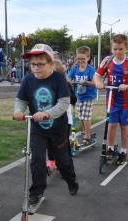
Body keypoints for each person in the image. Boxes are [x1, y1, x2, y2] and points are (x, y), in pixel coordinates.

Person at [13, 43, 79, 206]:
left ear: (50, 63)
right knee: (36, 159)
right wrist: (18, 111)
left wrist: (47, 113)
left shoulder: (58, 79)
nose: (35, 68)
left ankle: (71, 181)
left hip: (58, 129)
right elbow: (21, 100)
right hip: (37, 129)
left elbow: (64, 103)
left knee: (63, 161)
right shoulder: (28, 80)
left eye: (40, 64)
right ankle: (37, 191)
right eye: (33, 64)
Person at [93, 34, 128, 164]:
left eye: (120, 49)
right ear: (111, 48)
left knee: (124, 126)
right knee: (112, 124)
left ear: (126, 47)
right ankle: (110, 148)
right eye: (115, 49)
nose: (117, 52)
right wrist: (98, 82)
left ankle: (123, 150)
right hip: (112, 99)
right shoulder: (107, 61)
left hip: (126, 101)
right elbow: (97, 76)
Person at [45, 59, 76, 172]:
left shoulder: (65, 84)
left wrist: (65, 95)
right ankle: (51, 162)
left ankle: (68, 166)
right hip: (50, 119)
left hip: (64, 120)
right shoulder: (46, 84)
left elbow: (73, 99)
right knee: (49, 142)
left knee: (63, 145)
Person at [67, 46, 97, 147]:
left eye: (83, 59)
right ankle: (86, 132)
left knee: (86, 117)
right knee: (80, 117)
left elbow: (95, 82)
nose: (80, 61)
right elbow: (68, 78)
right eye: (78, 58)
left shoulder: (90, 69)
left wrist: (86, 82)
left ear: (88, 58)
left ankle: (87, 137)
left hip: (89, 96)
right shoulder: (75, 68)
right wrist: (70, 81)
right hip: (79, 96)